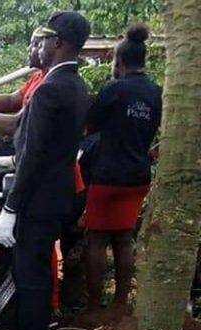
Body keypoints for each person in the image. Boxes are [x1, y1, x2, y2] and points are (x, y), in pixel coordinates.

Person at [0, 11, 91, 330]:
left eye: (42, 40)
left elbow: (33, 154)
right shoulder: (77, 86)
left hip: (39, 199)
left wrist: (12, 208)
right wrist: (11, 163)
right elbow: (46, 148)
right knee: (36, 272)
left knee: (30, 275)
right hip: (56, 195)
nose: (37, 47)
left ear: (58, 43)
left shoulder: (50, 89)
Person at [84, 23, 162, 310]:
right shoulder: (157, 93)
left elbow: (90, 125)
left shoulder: (113, 89)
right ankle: (119, 306)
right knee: (124, 239)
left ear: (120, 62)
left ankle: (94, 306)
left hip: (107, 175)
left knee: (96, 240)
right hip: (138, 176)